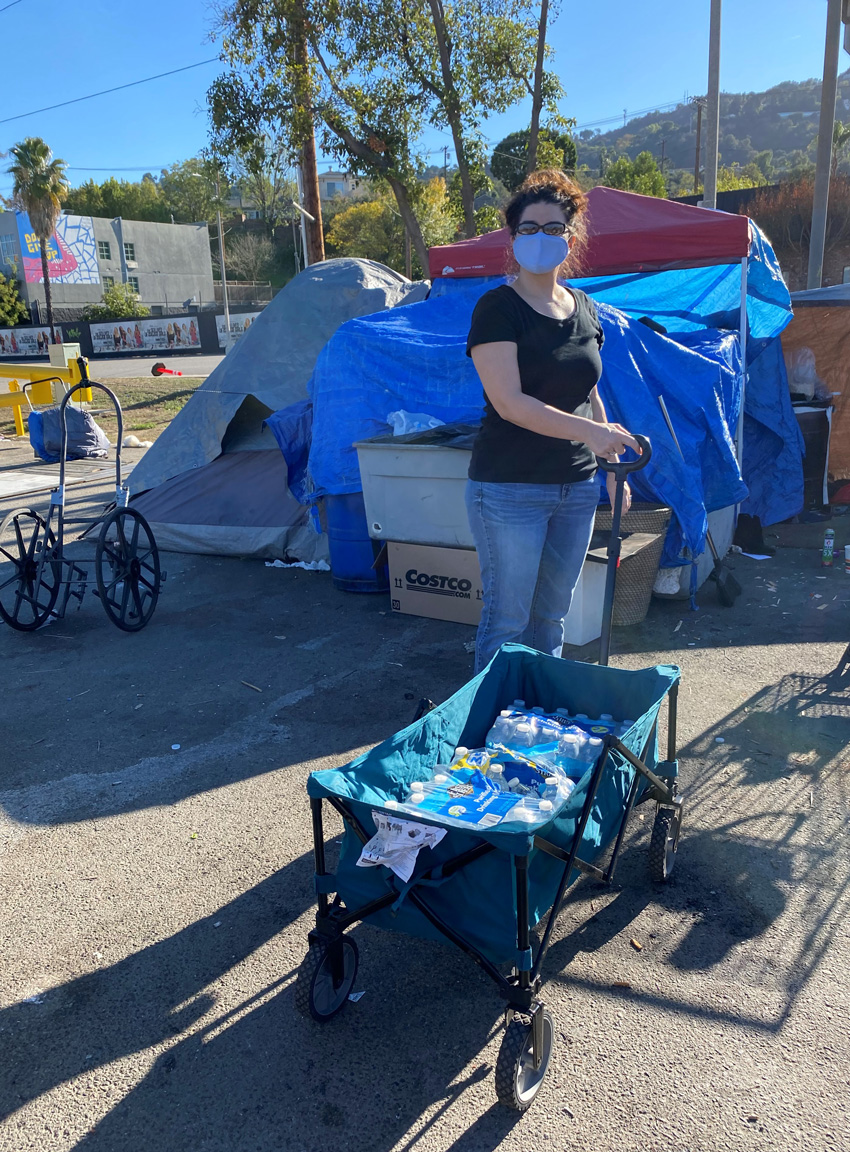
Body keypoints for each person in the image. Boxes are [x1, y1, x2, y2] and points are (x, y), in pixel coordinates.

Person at [465, 169, 640, 673]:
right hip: (509, 489)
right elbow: (510, 403)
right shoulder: (498, 308)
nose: (540, 237)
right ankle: (491, 733)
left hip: (577, 488)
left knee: (551, 618)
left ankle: (538, 724)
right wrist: (595, 435)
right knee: (508, 621)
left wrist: (609, 461)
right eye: (529, 228)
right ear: (512, 236)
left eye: (553, 228)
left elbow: (588, 391)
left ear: (571, 235)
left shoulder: (584, 307)